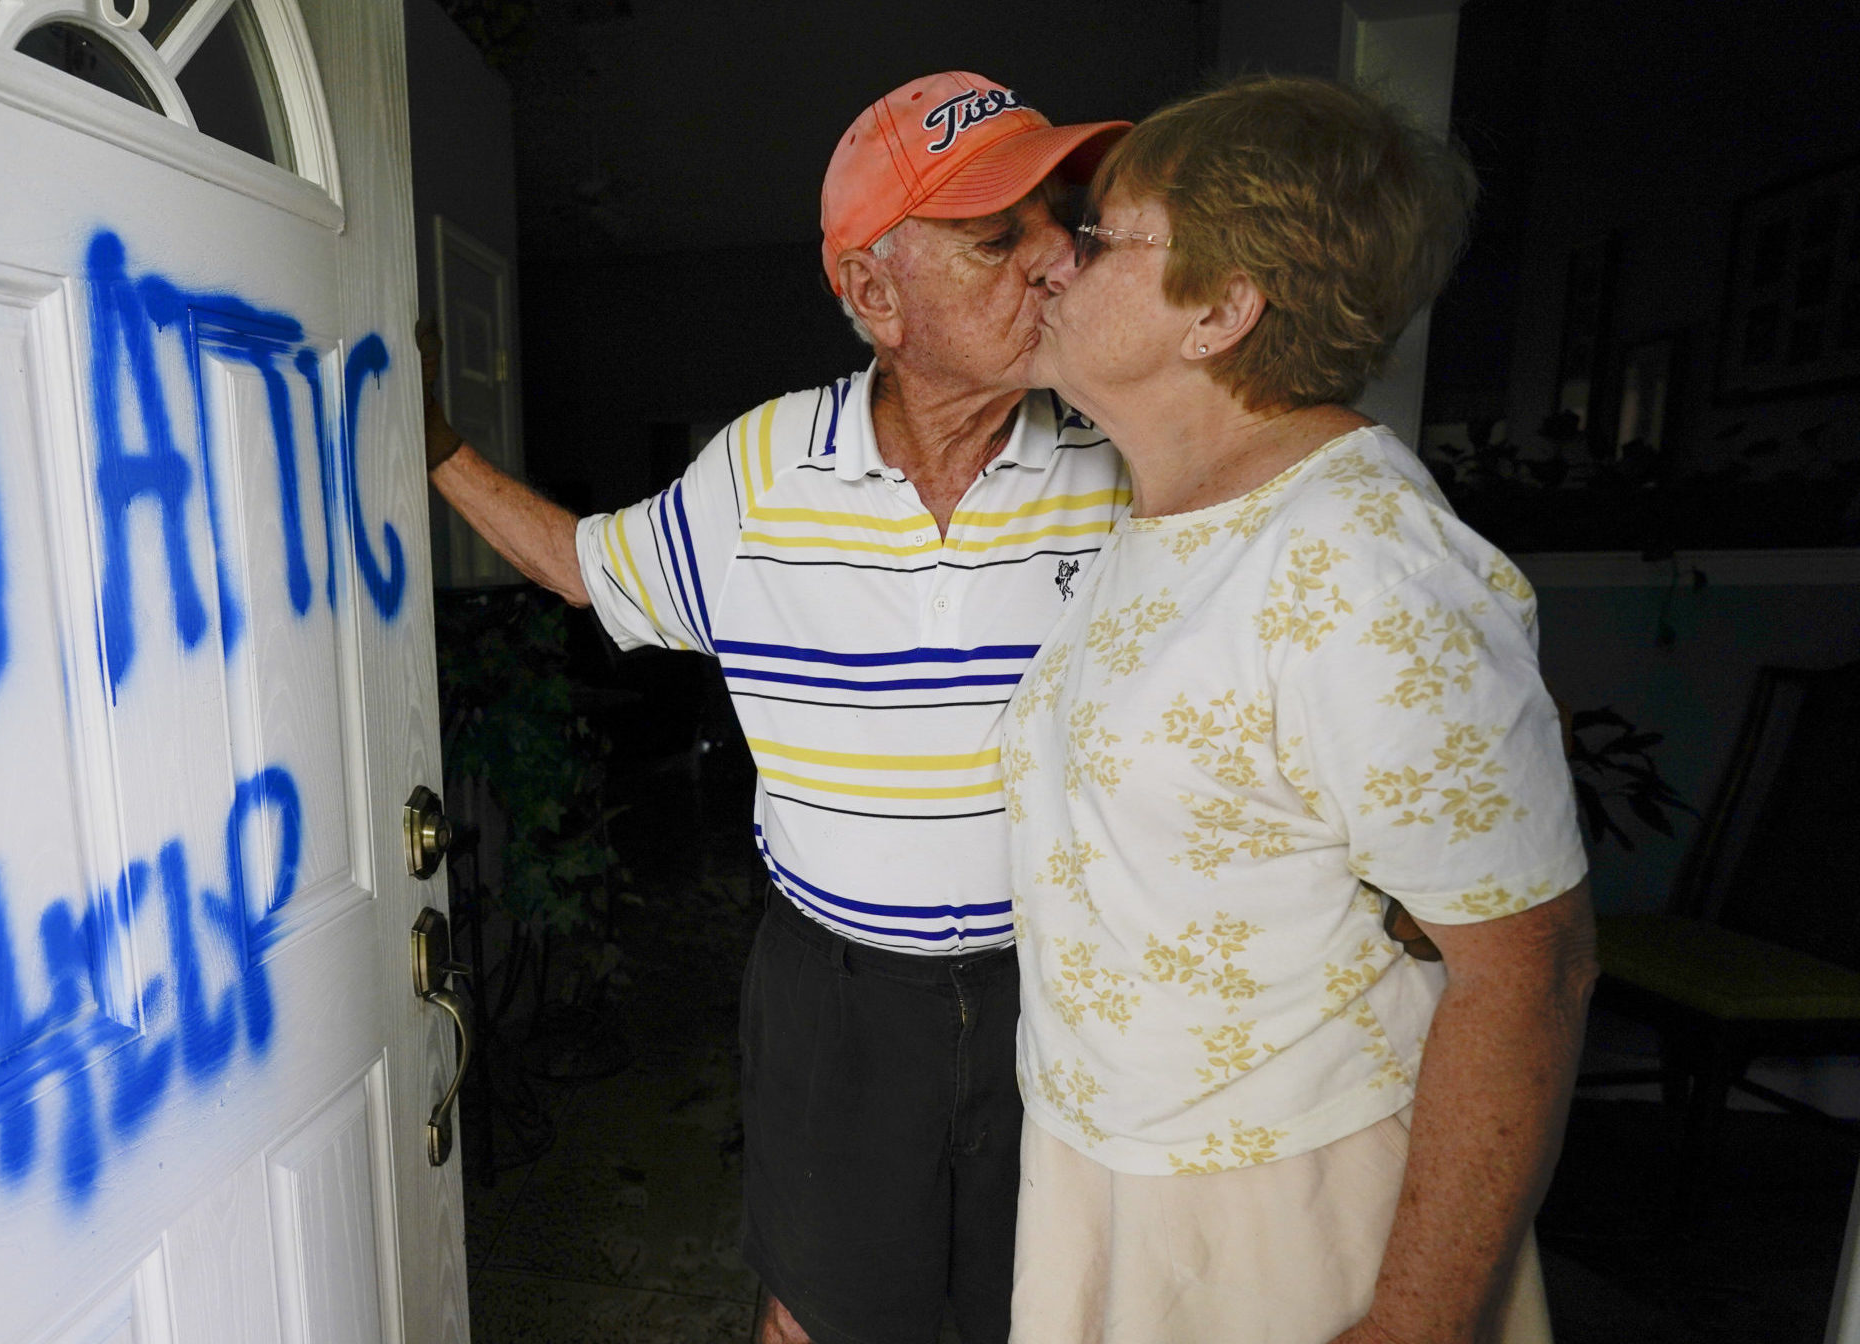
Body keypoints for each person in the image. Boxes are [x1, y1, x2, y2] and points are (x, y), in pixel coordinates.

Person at [423, 72, 1127, 1344]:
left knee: (1048, 1305)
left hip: (1073, 981)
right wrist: (431, 448)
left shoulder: (1122, 455)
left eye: (1058, 219)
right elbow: (588, 569)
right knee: (819, 1311)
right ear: (873, 295)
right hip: (839, 997)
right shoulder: (757, 472)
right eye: (997, 235)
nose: (1057, 261)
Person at [1003, 75, 1595, 1343]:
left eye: (1099, 233)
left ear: (1221, 309)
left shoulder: (1365, 565)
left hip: (1284, 1200)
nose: (1050, 259)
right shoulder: (1165, 513)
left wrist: (1415, 1324)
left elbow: (1526, 973)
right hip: (1106, 1164)